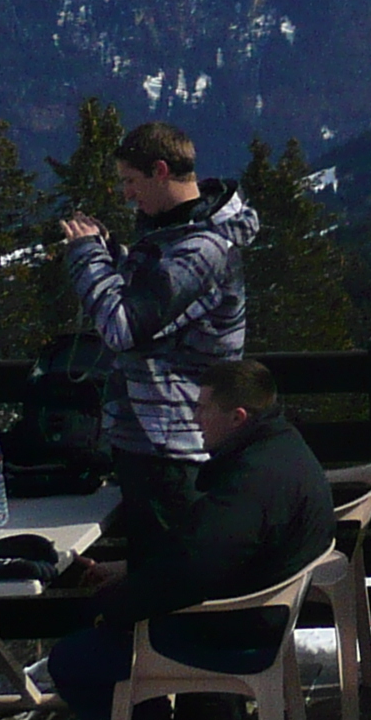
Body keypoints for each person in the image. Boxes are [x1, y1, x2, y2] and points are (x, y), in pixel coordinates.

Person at [43, 358, 329, 720]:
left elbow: (193, 571)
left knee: (75, 658)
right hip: (257, 609)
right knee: (102, 624)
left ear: (237, 418)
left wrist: (115, 606)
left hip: (233, 631)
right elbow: (208, 553)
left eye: (203, 408)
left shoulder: (250, 481)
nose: (193, 418)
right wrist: (131, 574)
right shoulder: (281, 448)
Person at [60, 120, 258, 561]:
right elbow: (155, 305)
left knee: (168, 576)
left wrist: (88, 258)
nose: (127, 193)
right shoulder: (174, 236)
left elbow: (123, 327)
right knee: (154, 572)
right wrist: (114, 258)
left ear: (161, 171)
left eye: (131, 181)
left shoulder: (201, 250)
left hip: (173, 444)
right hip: (154, 437)